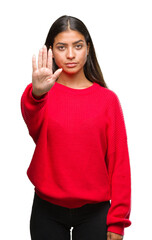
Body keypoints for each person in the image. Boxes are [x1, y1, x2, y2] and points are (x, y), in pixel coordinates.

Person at [21, 15, 132, 240]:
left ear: (88, 48)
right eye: (62, 47)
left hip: (96, 212)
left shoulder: (108, 100)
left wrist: (117, 221)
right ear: (51, 50)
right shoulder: (41, 95)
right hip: (46, 210)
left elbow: (119, 162)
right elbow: (32, 122)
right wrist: (37, 93)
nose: (70, 55)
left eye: (78, 46)